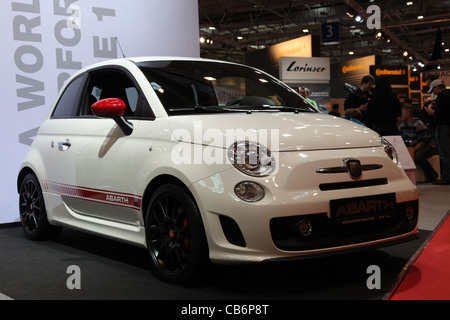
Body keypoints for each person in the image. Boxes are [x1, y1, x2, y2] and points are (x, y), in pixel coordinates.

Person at [398, 105, 438, 182]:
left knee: (418, 156)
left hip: (427, 146)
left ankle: (433, 176)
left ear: (408, 114)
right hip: (411, 146)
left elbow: (423, 141)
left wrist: (412, 151)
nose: (400, 116)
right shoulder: (402, 125)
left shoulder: (418, 123)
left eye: (402, 113)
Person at [428, 79, 450, 184]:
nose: (433, 93)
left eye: (433, 90)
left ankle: (446, 177)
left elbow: (439, 115)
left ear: (437, 87)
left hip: (443, 128)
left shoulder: (441, 98)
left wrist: (432, 111)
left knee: (444, 152)